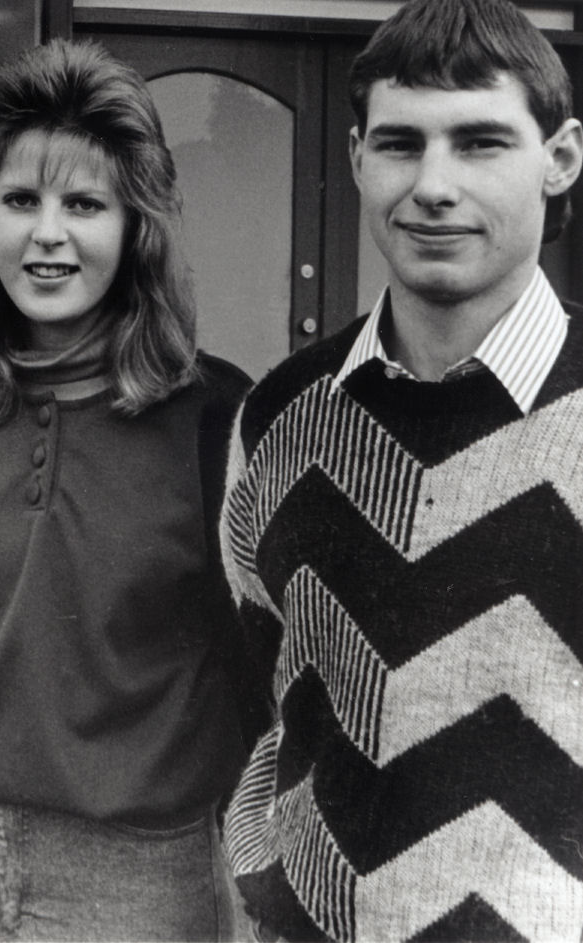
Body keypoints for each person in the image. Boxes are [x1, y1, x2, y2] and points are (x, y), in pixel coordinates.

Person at [0, 39, 257, 941]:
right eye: (20, 200)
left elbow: (248, 661)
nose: (46, 233)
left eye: (83, 203)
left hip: (136, 864)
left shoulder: (217, 417)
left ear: (135, 228)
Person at [218, 0, 583, 939]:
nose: (431, 185)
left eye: (479, 142)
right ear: (354, 159)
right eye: (399, 144)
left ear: (561, 157)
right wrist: (265, 876)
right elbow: (256, 677)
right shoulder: (280, 414)